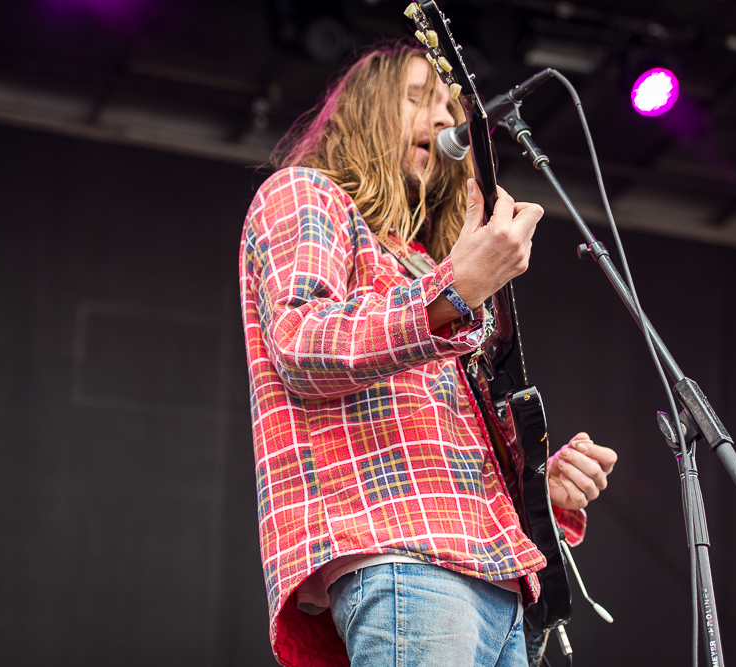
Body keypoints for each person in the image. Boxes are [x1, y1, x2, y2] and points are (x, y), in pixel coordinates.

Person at [240, 42, 617, 667]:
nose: (444, 121)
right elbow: (303, 344)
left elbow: (447, 439)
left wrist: (539, 482)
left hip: (496, 577)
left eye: (450, 109)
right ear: (363, 113)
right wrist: (454, 291)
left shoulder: (423, 261)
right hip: (402, 554)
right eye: (418, 100)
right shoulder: (308, 194)